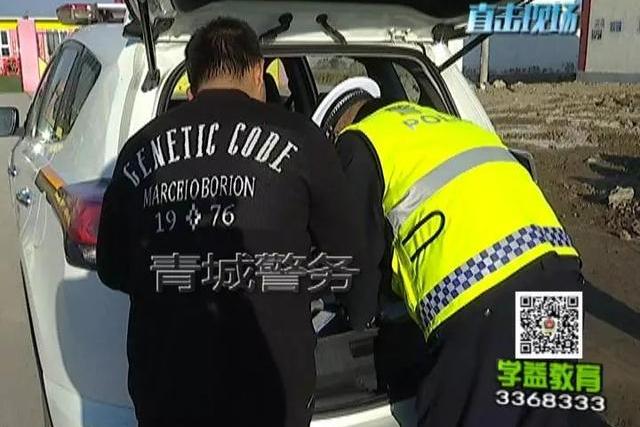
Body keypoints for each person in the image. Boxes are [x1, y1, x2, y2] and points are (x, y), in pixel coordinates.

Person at [96, 17, 365, 427]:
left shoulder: (139, 148)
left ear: (192, 83)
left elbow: (113, 268)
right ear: (258, 71)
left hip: (167, 385)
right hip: (270, 386)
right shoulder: (302, 138)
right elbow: (347, 258)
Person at [320, 81, 607, 426]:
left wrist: (359, 316)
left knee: (462, 414)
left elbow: (355, 258)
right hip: (557, 272)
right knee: (546, 407)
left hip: (482, 293)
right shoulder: (449, 124)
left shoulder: (358, 141)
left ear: (336, 130)